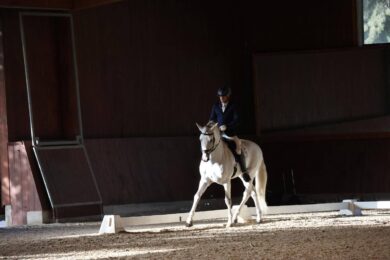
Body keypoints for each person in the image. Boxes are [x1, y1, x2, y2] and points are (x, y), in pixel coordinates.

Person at [209, 86, 250, 181]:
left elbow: (237, 120)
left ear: (228, 96)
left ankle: (243, 171)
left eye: (223, 96)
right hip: (218, 133)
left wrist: (227, 126)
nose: (221, 98)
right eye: (220, 96)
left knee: (238, 147)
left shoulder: (234, 105)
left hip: (230, 133)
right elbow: (212, 118)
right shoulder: (216, 106)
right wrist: (210, 125)